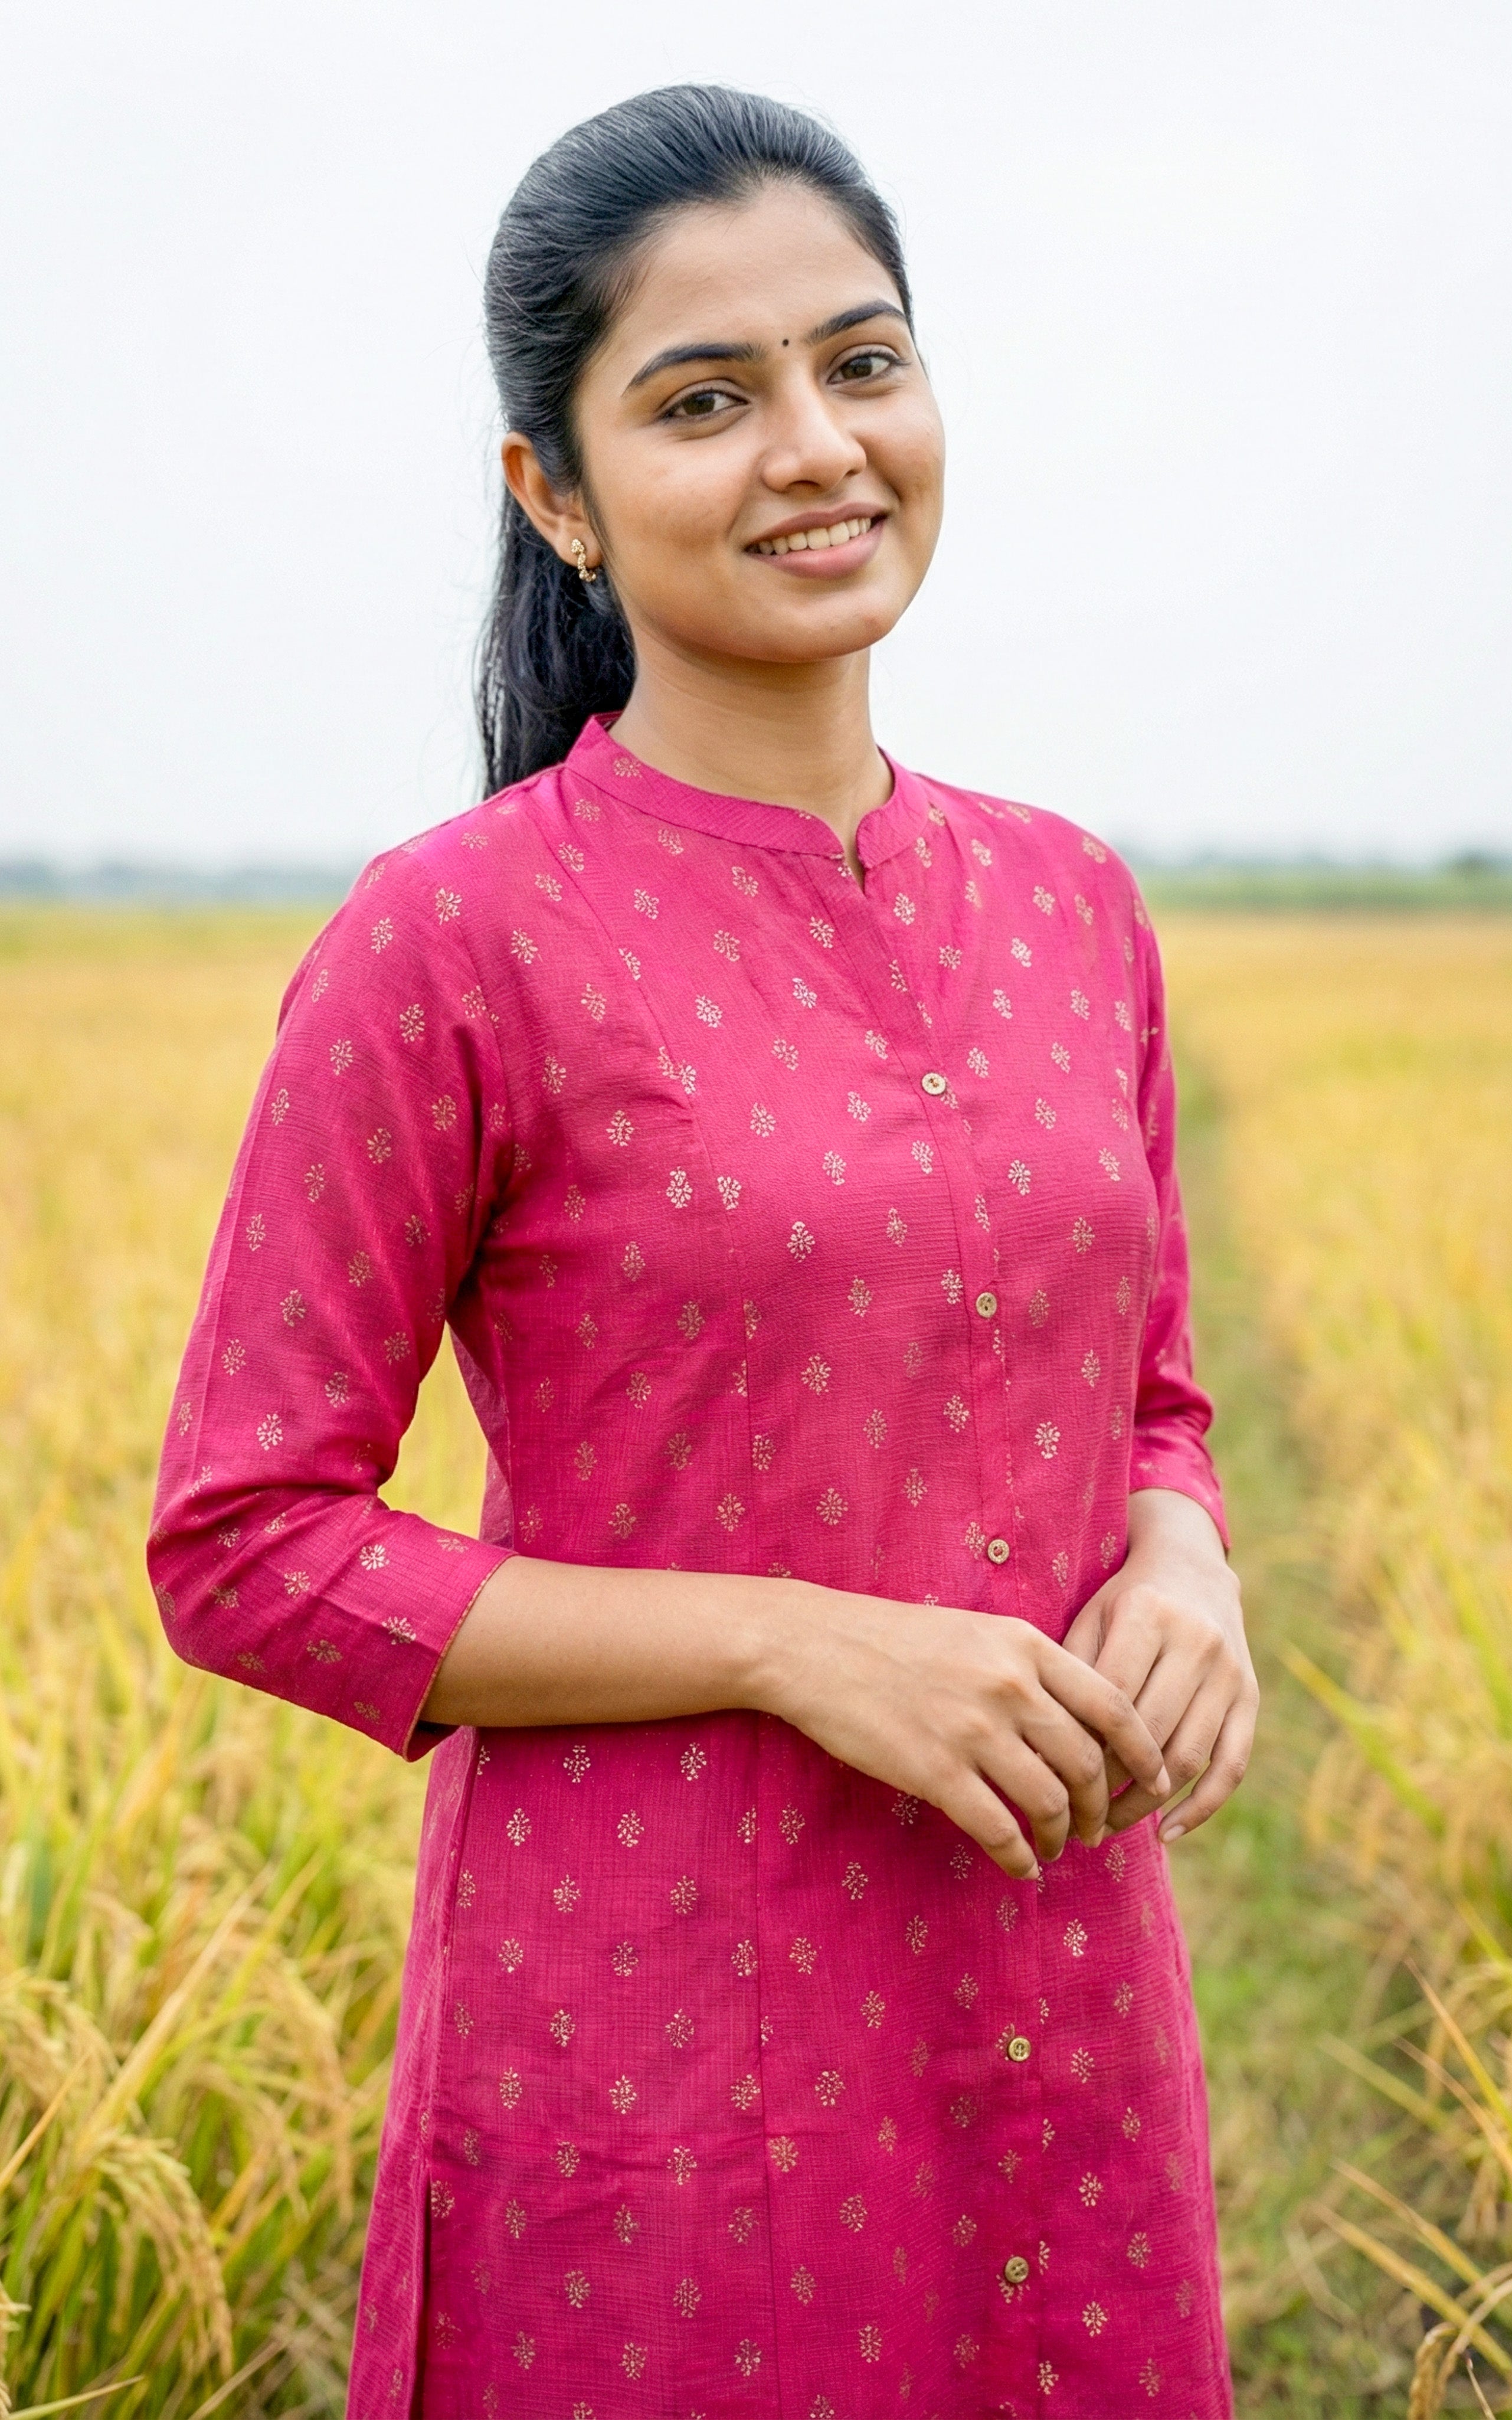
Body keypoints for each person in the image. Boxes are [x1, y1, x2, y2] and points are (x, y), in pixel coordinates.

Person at [148, 83, 1256, 2420]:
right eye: (699, 398)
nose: (815, 448)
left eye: (862, 363)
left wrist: (1181, 1559)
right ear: (548, 491)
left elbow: (1148, 1387)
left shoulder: (1069, 902)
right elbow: (247, 1544)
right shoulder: (449, 942)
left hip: (1062, 1995)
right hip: (658, 2053)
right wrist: (784, 1642)